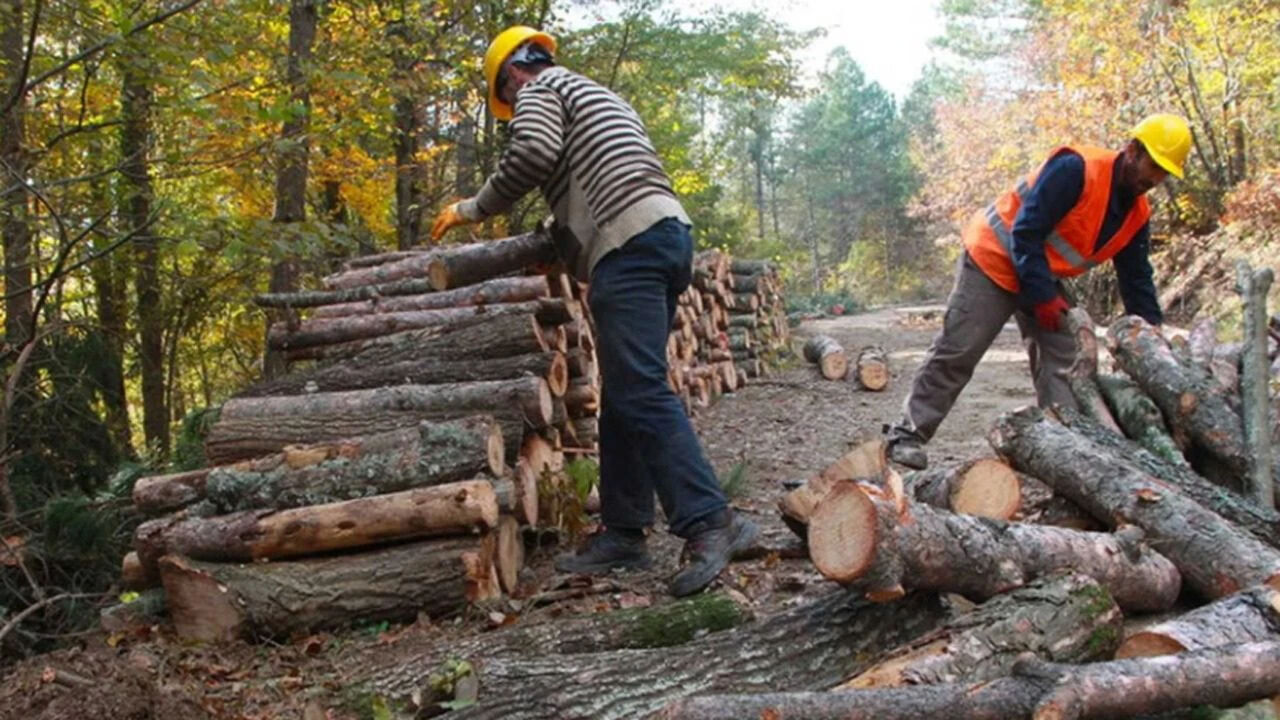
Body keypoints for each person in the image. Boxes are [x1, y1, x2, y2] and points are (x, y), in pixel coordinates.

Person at [430, 26, 758, 596]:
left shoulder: (538, 89)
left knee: (641, 390)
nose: (514, 106)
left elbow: (533, 152)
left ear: (511, 75)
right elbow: (593, 176)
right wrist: (561, 238)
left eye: (507, 98)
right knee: (626, 393)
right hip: (664, 234)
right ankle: (625, 533)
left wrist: (474, 207)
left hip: (628, 247)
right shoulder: (596, 94)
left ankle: (710, 521)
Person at [884, 113, 1193, 470]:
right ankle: (906, 434)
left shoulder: (1137, 214)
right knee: (959, 349)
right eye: (1152, 165)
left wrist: (1151, 335)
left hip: (1040, 270)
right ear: (1132, 150)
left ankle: (1062, 449)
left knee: (1066, 358)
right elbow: (1026, 230)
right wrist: (1044, 296)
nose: (1154, 179)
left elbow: (1137, 279)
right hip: (994, 257)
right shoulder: (1076, 169)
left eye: (1164, 172)